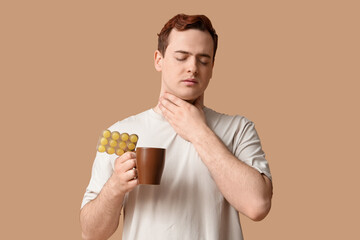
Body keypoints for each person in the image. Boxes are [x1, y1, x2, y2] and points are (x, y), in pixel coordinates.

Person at [80, 13, 273, 240]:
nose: (193, 68)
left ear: (212, 67)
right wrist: (115, 186)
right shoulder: (121, 134)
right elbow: (90, 233)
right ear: (158, 60)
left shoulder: (239, 129)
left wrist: (198, 132)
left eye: (203, 60)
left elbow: (258, 205)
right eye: (181, 57)